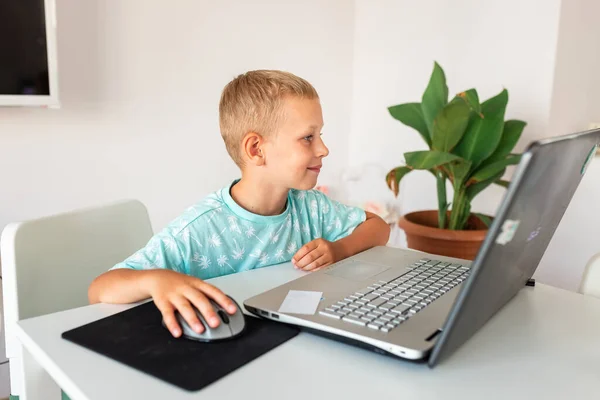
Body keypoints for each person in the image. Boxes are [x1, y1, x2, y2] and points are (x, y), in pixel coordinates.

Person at [88, 70, 390, 338]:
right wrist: (156, 279)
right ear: (256, 149)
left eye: (320, 135)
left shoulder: (312, 208)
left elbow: (377, 227)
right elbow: (100, 288)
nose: (324, 149)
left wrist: (340, 250)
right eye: (308, 138)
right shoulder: (201, 229)